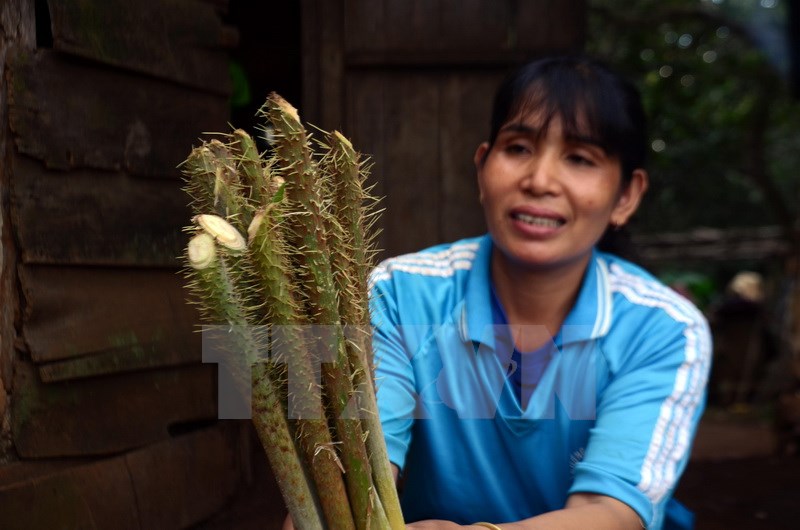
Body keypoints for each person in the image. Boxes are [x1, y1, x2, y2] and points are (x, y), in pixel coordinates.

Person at [369, 55, 712, 530]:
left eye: (579, 158)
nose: (539, 181)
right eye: (518, 148)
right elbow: (354, 480)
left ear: (626, 196)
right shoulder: (400, 296)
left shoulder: (663, 329)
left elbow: (610, 512)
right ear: (482, 167)